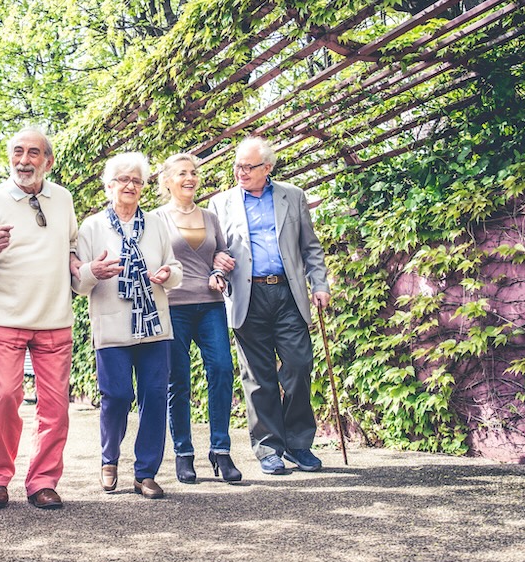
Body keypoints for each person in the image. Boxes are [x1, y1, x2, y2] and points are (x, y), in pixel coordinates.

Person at [0, 128, 79, 510]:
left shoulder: (62, 199)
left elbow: (72, 245)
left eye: (33, 153)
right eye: (17, 152)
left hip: (55, 318)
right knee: (5, 398)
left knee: (56, 406)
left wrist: (81, 265)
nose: (24, 160)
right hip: (4, 317)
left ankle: (43, 481)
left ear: (49, 161)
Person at [208, 136, 331, 476]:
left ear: (268, 168)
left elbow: (311, 247)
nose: (240, 172)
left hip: (288, 294)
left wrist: (320, 284)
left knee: (299, 366)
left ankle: (298, 444)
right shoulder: (221, 204)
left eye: (248, 167)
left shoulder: (293, 196)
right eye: (237, 165)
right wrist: (217, 267)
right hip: (248, 296)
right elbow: (215, 251)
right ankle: (268, 449)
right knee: (258, 377)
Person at [73, 152, 182, 499]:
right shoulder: (91, 227)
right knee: (117, 396)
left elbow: (173, 266)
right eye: (122, 179)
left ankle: (145, 473)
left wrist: (168, 275)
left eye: (136, 180)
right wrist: (94, 271)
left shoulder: (156, 224)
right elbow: (78, 282)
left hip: (154, 325)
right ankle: (109, 458)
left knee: (154, 396)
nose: (130, 185)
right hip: (113, 325)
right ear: (108, 186)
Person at [154, 153, 243, 484]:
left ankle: (220, 450)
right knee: (178, 380)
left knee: (221, 369)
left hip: (210, 304)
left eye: (193, 173)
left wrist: (218, 270)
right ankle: (184, 454)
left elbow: (223, 253)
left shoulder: (210, 217)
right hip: (173, 306)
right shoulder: (155, 219)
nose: (189, 178)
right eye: (181, 173)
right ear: (167, 181)